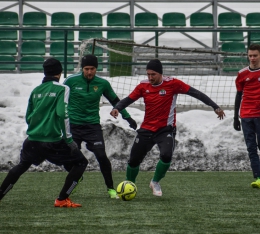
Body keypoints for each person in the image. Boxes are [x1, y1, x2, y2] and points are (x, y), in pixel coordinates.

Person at [110, 59, 225, 197]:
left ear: (161, 74)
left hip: (165, 129)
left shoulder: (173, 84)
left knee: (166, 155)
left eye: (153, 74)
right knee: (134, 160)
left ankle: (155, 181)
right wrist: (117, 108)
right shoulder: (143, 86)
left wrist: (215, 106)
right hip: (146, 128)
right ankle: (129, 184)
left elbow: (196, 93)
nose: (150, 77)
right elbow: (128, 99)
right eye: (148, 74)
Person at [0, 58, 88, 208]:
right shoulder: (62, 89)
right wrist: (68, 139)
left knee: (22, 166)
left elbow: (29, 116)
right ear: (60, 73)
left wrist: (38, 129)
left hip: (32, 139)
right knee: (81, 162)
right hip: (52, 141)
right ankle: (62, 199)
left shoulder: (36, 91)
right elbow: (63, 114)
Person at [63, 54, 137, 198]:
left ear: (96, 68)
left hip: (92, 126)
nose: (89, 72)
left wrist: (127, 117)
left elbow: (116, 101)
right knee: (68, 157)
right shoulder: (71, 81)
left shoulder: (102, 83)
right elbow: (60, 100)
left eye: (92, 69)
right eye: (86, 69)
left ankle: (110, 189)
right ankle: (76, 176)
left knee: (102, 156)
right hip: (73, 126)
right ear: (82, 68)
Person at [233, 43, 260, 188]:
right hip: (246, 116)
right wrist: (235, 116)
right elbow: (238, 95)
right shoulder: (242, 74)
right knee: (251, 147)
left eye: (255, 55)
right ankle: (258, 178)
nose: (252, 58)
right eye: (250, 55)